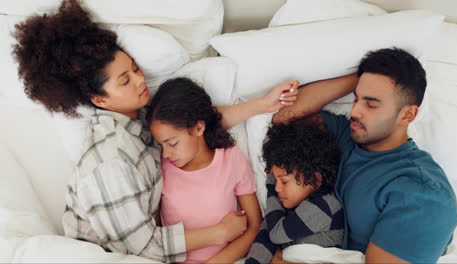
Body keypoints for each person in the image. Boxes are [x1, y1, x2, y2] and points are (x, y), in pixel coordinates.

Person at [11, 0, 298, 262]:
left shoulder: (138, 121)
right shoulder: (111, 161)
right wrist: (219, 233)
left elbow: (196, 121)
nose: (139, 81)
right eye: (125, 81)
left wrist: (263, 104)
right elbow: (141, 246)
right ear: (100, 100)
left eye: (135, 69)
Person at [272, 48, 457, 263]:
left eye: (371, 104)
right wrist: (363, 77)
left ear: (407, 114)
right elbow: (285, 117)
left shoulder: (421, 194)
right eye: (355, 99)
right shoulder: (348, 137)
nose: (355, 112)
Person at [147, 77, 262, 263]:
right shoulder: (160, 165)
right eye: (161, 145)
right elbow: (156, 235)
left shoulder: (230, 158)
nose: (166, 153)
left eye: (172, 143)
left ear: (199, 128)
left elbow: (254, 225)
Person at [245, 122, 344, 264]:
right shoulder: (287, 207)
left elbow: (275, 235)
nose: (278, 188)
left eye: (284, 182)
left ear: (315, 179)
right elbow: (266, 234)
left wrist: (271, 186)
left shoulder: (324, 206)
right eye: (275, 179)